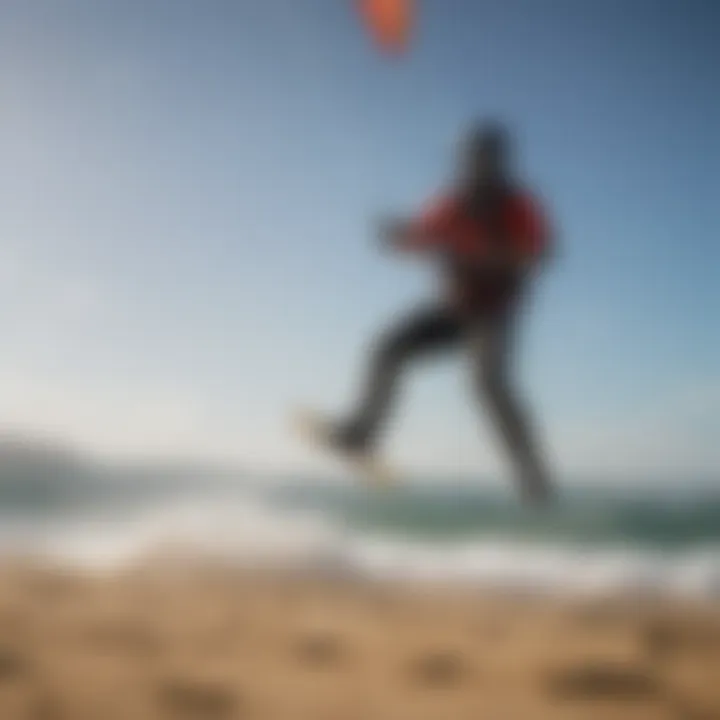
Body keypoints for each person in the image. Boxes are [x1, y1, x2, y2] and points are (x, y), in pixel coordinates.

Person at [323, 120, 555, 504]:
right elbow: (419, 238)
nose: (476, 168)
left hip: (494, 314)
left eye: (484, 161)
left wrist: (483, 251)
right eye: (469, 161)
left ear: (498, 163)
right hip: (453, 310)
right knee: (387, 348)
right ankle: (361, 435)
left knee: (487, 381)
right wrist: (397, 237)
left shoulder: (518, 205)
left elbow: (538, 253)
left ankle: (530, 471)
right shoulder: (449, 203)